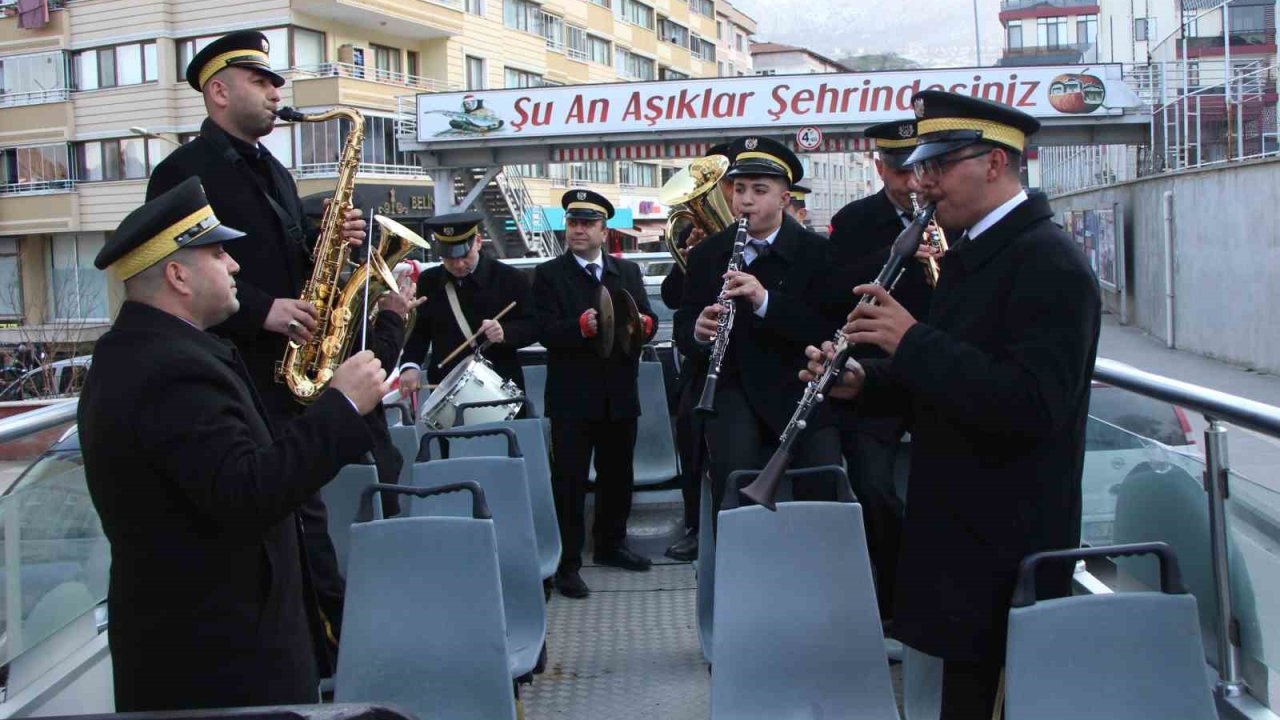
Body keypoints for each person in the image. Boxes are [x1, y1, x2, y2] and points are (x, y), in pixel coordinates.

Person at [803, 90, 1101, 719]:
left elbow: (1029, 405)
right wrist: (863, 382)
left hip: (1008, 539)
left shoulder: (1048, 263)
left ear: (995, 163)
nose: (923, 183)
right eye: (918, 168)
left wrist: (909, 340)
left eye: (938, 166)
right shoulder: (976, 252)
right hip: (966, 533)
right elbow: (945, 384)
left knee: (994, 698)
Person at [78, 178, 391, 712]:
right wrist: (341, 406)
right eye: (219, 252)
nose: (235, 265)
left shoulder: (160, 354)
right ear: (177, 274)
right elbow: (246, 493)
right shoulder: (169, 371)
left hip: (211, 649)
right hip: (217, 664)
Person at [145, 29, 399, 664]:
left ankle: (327, 653)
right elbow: (177, 274)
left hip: (289, 376)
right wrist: (264, 311)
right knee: (287, 527)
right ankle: (323, 656)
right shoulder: (182, 172)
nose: (276, 92)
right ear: (219, 91)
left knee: (303, 524)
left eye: (274, 81)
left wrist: (327, 242)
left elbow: (286, 265)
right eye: (260, 82)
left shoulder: (277, 174)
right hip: (240, 372)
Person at [674, 136, 845, 521]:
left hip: (799, 386)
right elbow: (684, 325)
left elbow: (827, 328)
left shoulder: (818, 253)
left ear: (785, 200)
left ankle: (818, 565)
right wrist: (699, 333)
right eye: (739, 189)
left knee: (823, 480)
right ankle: (739, 567)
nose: (745, 200)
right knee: (733, 480)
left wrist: (765, 301)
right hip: (732, 387)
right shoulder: (708, 254)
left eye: (759, 190)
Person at [824, 119, 936, 623]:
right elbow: (835, 286)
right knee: (874, 487)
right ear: (879, 167)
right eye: (898, 171)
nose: (910, 183)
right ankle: (889, 601)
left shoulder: (948, 215)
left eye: (917, 170)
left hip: (934, 366)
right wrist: (904, 256)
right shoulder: (854, 220)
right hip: (873, 370)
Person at [533, 189, 658, 598]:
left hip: (619, 391)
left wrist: (647, 325)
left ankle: (610, 544)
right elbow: (543, 331)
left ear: (605, 232)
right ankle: (567, 562)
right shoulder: (549, 275)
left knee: (617, 474)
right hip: (573, 396)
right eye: (573, 223)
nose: (578, 230)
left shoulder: (628, 273)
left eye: (587, 224)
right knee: (568, 480)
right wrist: (578, 328)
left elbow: (646, 317)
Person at [661, 141, 736, 562]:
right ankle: (695, 525)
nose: (732, 195)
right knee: (690, 435)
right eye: (727, 187)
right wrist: (687, 259)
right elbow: (675, 298)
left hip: (745, 358)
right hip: (702, 359)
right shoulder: (698, 239)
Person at [397, 212, 537, 409]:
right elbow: (419, 332)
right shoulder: (429, 281)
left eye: (464, 255)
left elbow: (533, 326)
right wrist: (410, 366)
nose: (457, 264)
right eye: (449, 257)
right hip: (446, 388)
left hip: (500, 385)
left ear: (478, 242)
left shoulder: (511, 279)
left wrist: (505, 332)